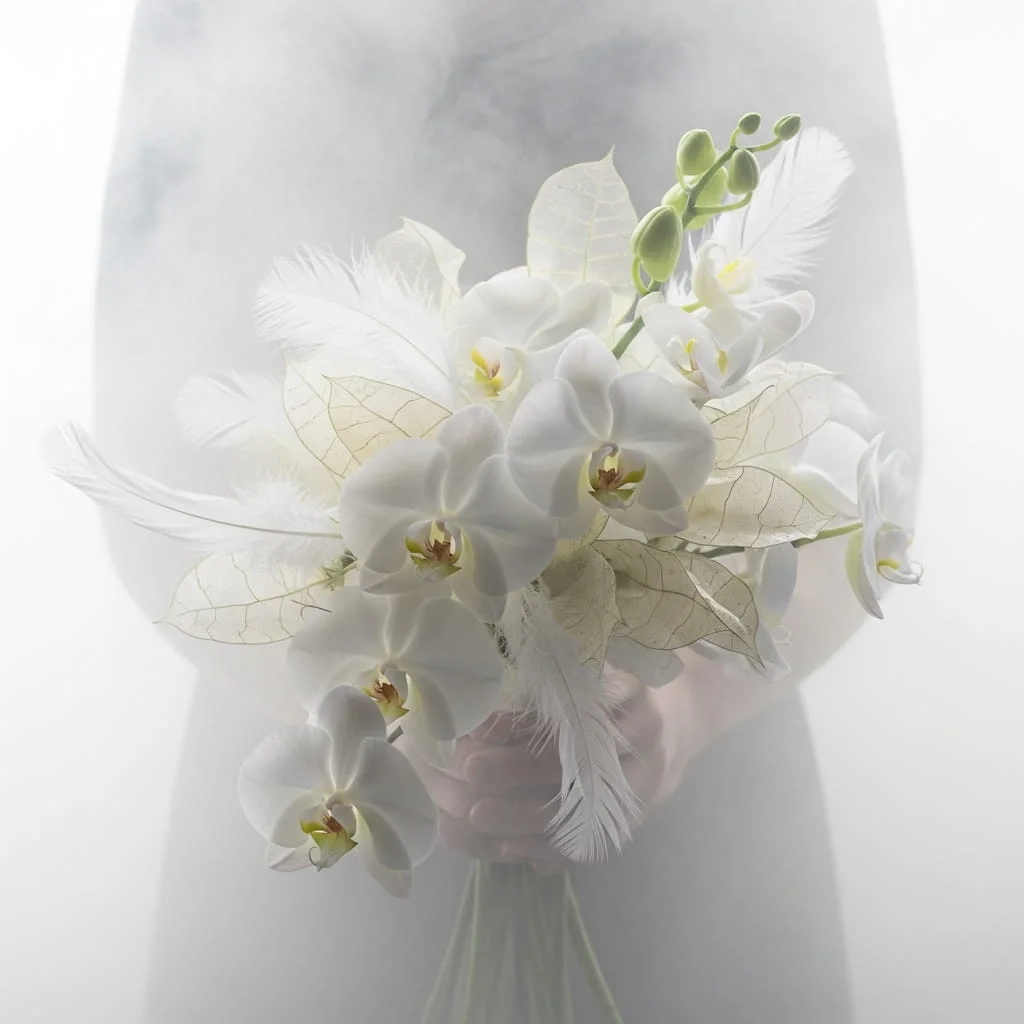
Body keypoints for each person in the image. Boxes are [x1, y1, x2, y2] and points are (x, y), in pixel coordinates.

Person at [94, 0, 919, 1019]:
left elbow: (880, 464)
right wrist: (367, 715)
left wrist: (688, 708)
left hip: (689, 824)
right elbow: (147, 462)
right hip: (328, 817)